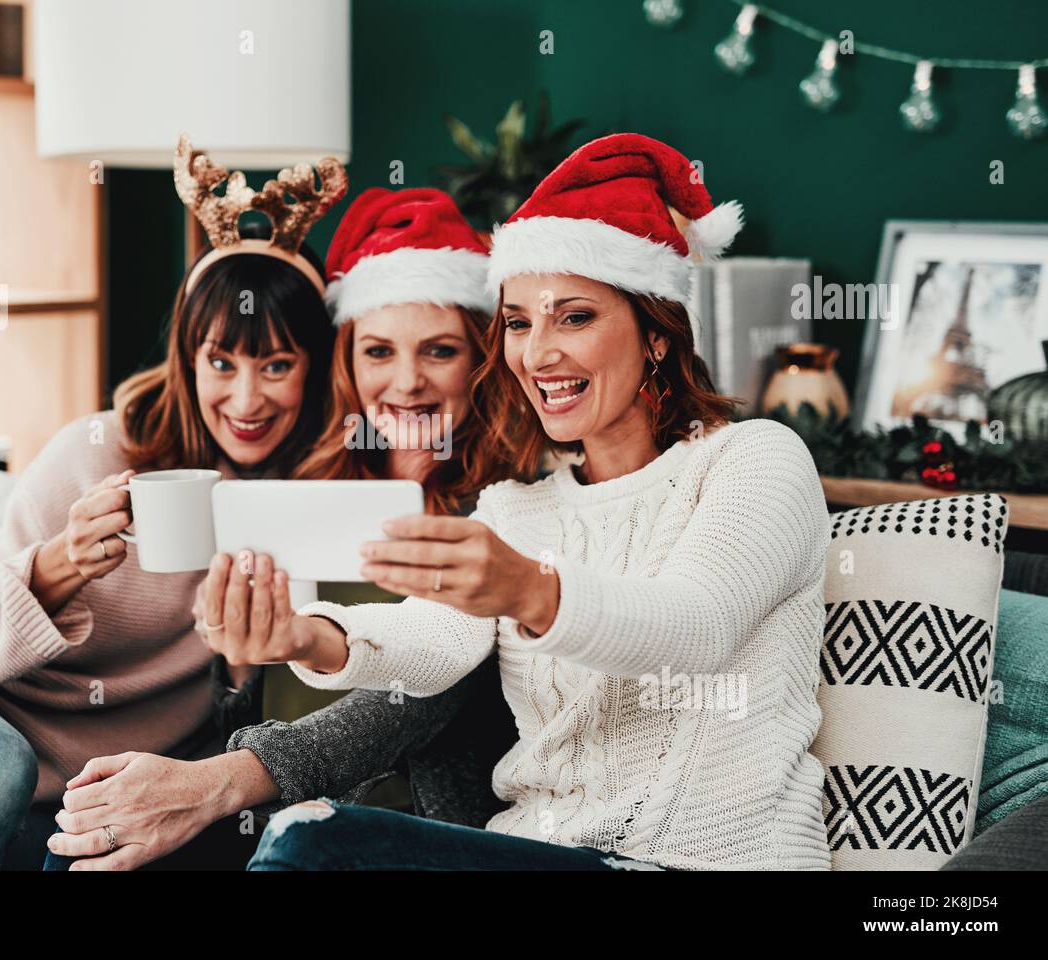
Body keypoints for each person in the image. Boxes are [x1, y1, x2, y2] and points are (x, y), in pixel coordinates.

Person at [213, 133, 834, 871]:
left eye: (574, 317)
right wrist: (301, 636)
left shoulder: (752, 459)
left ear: (656, 332)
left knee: (312, 843)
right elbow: (432, 645)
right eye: (517, 322)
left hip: (705, 864)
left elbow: (694, 628)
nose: (538, 354)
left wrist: (531, 591)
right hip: (534, 851)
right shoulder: (516, 507)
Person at [0, 136, 344, 871]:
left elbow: (238, 734)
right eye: (221, 362)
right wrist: (57, 566)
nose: (246, 399)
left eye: (277, 365)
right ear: (187, 359)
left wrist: (240, 661)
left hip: (46, 792)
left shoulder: (306, 507)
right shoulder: (101, 450)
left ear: (314, 369)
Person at [44, 188, 525, 869]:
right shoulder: (311, 482)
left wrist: (216, 781)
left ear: (480, 357)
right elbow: (252, 707)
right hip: (272, 811)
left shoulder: (506, 503)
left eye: (440, 351)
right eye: (379, 352)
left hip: (403, 825)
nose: (407, 381)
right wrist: (243, 658)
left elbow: (420, 694)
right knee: (80, 850)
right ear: (348, 362)